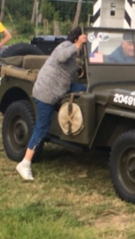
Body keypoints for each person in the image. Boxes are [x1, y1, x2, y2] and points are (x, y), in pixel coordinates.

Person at [15, 27, 87, 181]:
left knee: (86, 90)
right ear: (77, 39)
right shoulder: (65, 46)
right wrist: (78, 45)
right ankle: (25, 163)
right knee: (42, 128)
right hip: (47, 93)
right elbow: (61, 57)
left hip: (60, 89)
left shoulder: (73, 51)